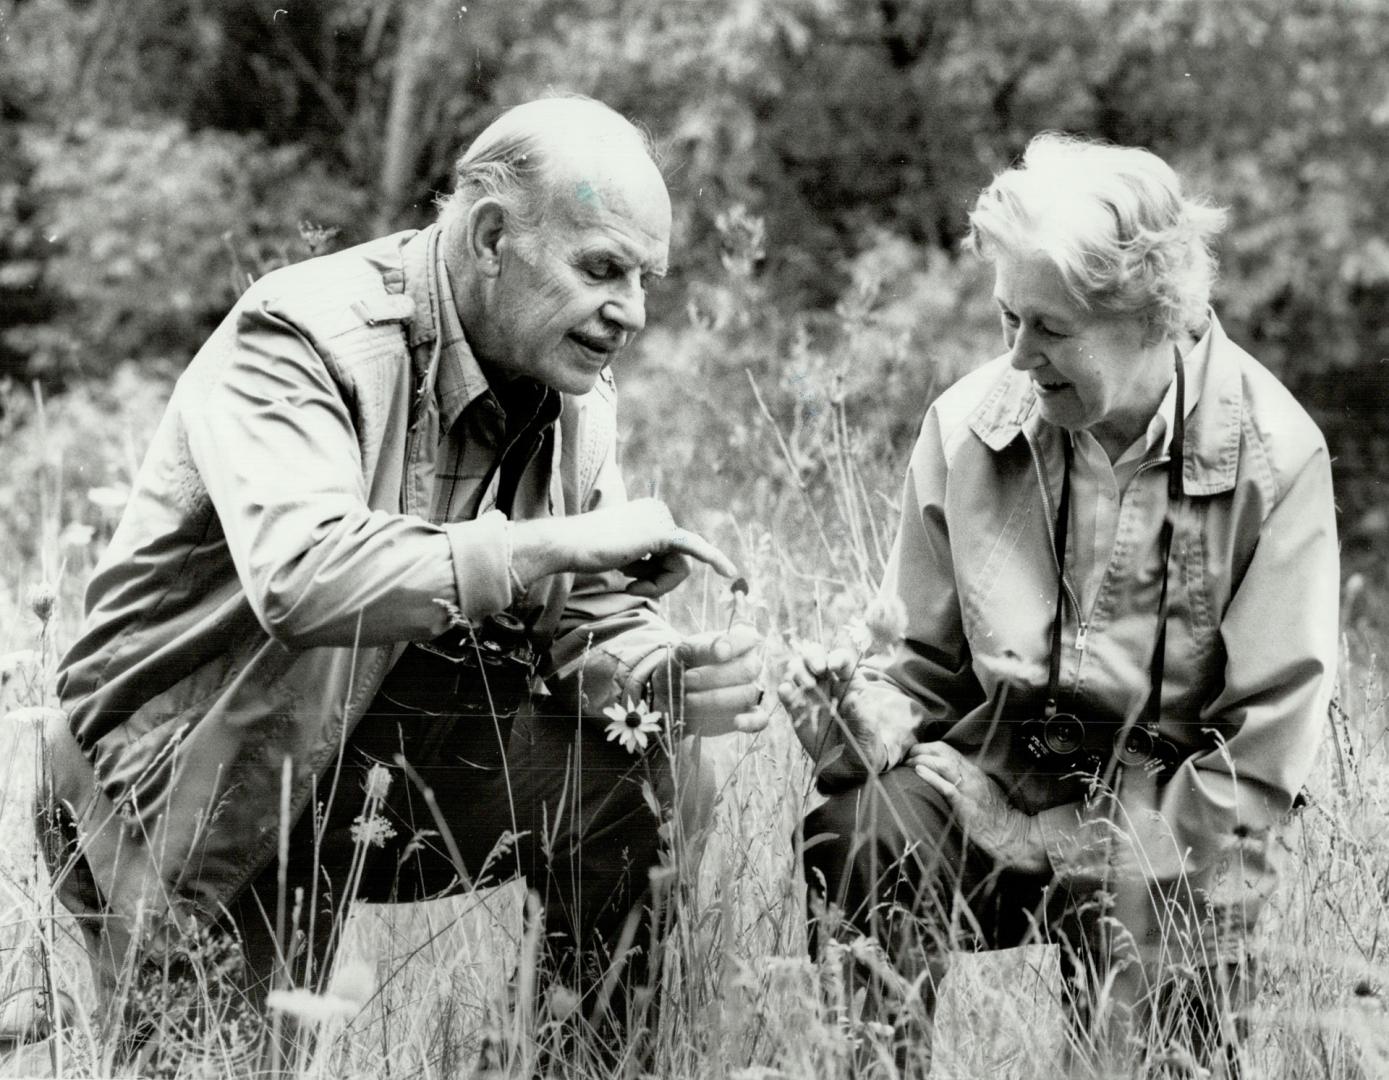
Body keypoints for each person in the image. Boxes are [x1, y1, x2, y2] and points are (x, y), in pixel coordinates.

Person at [41, 95, 764, 1062]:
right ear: (493, 237)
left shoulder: (572, 394)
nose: (630, 311)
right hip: (194, 780)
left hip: (368, 758)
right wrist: (547, 545)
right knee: (216, 1059)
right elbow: (301, 577)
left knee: (649, 770)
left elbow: (588, 612)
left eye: (644, 279)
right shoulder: (304, 336)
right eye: (602, 269)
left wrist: (651, 670)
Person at [780, 133, 1338, 1077]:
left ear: (1153, 310)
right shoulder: (966, 427)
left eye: (1050, 328)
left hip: (1171, 834)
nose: (1019, 356)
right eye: (1007, 319)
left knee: (1168, 949)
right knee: (861, 833)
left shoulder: (1276, 457)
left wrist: (1060, 840)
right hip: (986, 790)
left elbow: (1257, 760)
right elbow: (918, 669)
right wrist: (858, 715)